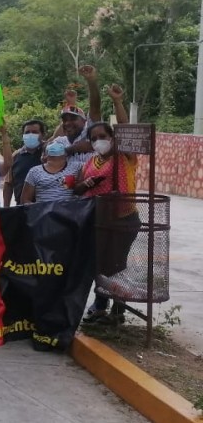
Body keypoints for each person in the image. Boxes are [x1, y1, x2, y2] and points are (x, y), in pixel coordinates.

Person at [74, 84, 139, 326]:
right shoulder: (90, 162)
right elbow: (77, 188)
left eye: (103, 137)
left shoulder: (124, 157)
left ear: (113, 139)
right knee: (98, 263)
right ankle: (100, 304)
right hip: (98, 219)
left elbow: (125, 129)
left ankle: (118, 309)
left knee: (117, 263)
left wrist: (118, 102)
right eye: (94, 139)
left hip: (123, 218)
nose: (99, 141)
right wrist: (87, 183)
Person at [51, 65, 102, 163]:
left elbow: (95, 108)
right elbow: (47, 151)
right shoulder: (60, 141)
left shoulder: (90, 134)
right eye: (65, 120)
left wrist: (91, 81)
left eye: (73, 119)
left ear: (84, 121)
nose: (67, 123)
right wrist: (74, 148)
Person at [3, 120, 47, 207]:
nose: (30, 135)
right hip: (22, 208)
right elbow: (8, 184)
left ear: (42, 135)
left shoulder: (49, 153)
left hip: (45, 208)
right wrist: (6, 208)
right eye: (27, 132)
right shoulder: (16, 156)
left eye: (34, 132)